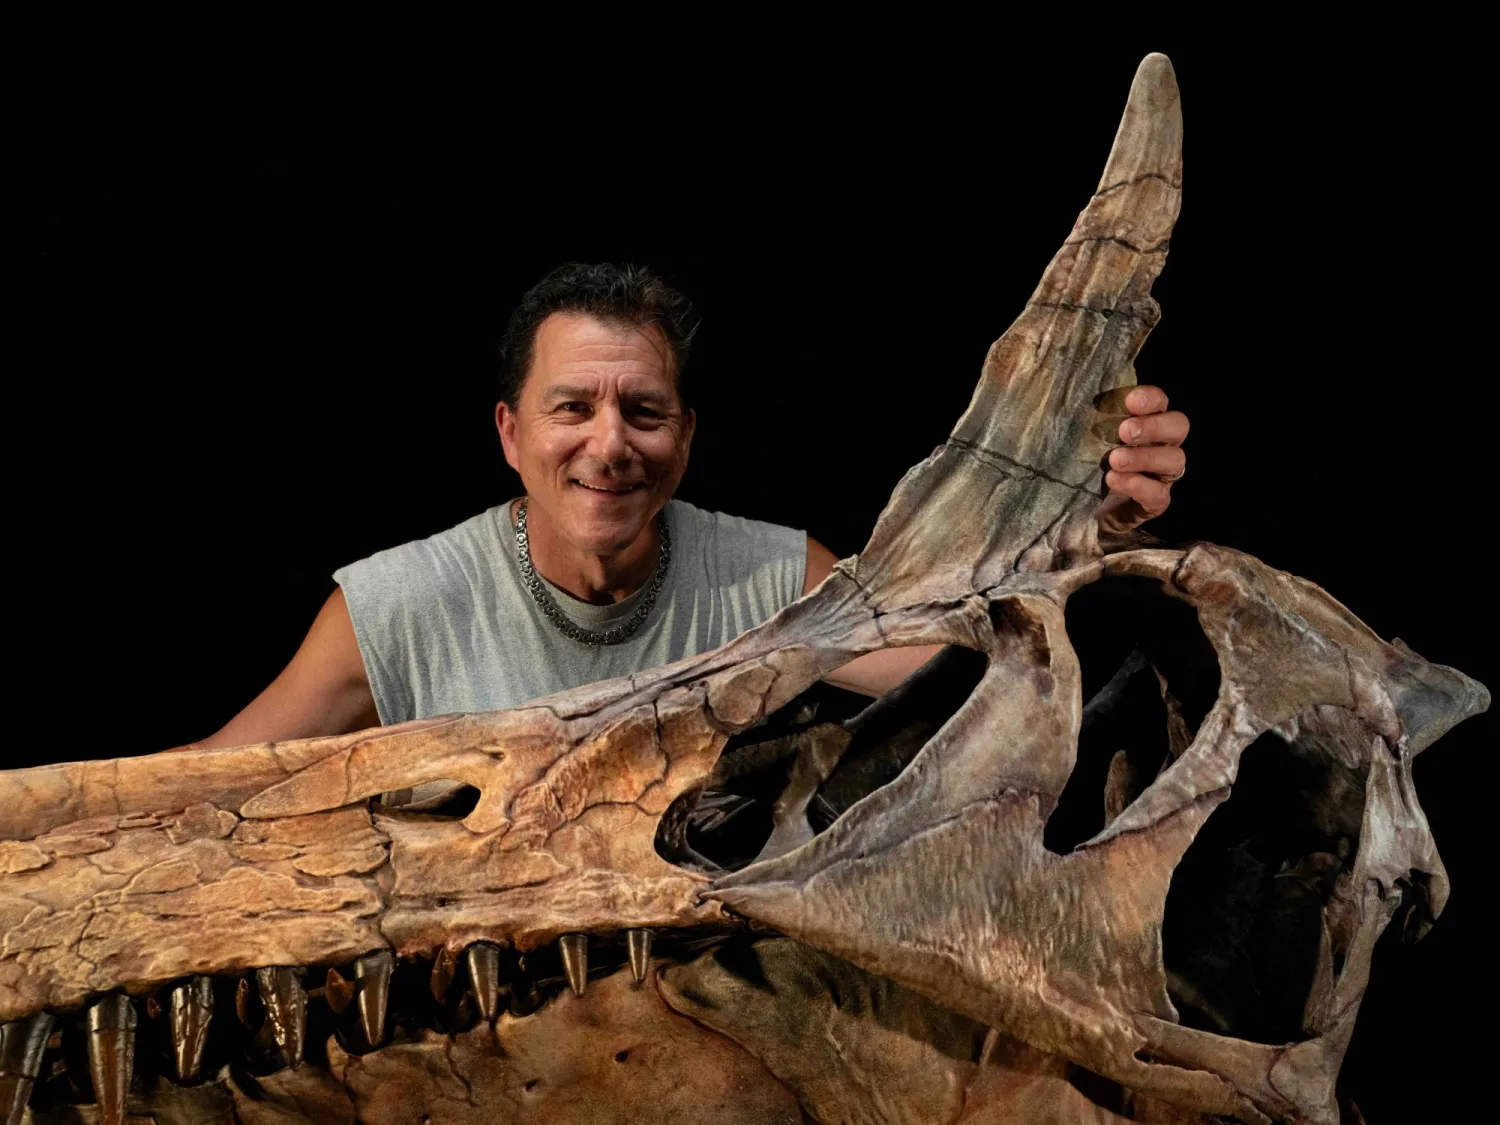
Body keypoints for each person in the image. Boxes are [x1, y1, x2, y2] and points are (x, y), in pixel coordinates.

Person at [178, 262, 1188, 753]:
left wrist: (1088, 528)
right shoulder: (391, 610)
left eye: (644, 412)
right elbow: (199, 796)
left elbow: (962, 646)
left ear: (687, 437)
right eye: (571, 408)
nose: (610, 443)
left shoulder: (770, 581)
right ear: (509, 434)